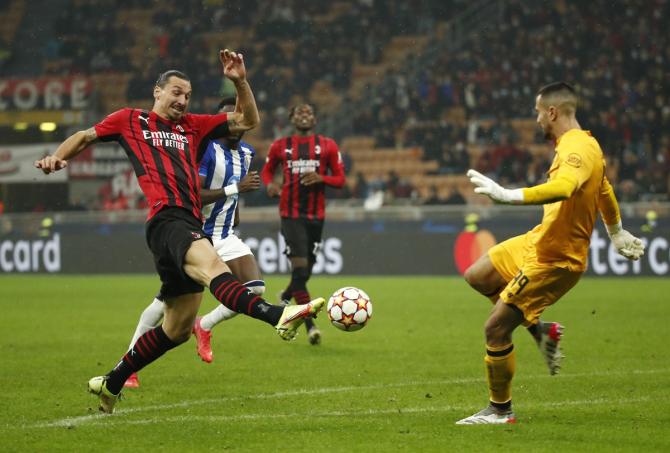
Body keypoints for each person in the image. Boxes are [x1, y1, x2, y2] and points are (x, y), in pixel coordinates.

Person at [34, 50, 325, 414]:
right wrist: (58, 157)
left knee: (177, 328)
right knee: (214, 268)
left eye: (187, 95)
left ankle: (111, 382)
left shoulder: (194, 126)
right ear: (158, 91)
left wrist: (239, 81)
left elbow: (247, 119)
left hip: (186, 221)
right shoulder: (130, 120)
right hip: (167, 220)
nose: (182, 100)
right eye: (175, 92)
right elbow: (86, 135)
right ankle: (278, 315)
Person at [456, 82, 645, 425]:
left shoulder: (576, 150)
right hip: (538, 241)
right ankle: (541, 331)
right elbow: (603, 189)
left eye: (538, 111)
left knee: (495, 329)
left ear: (553, 112)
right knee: (478, 275)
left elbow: (564, 187)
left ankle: (500, 411)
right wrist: (615, 231)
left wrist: (507, 195)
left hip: (555, 259)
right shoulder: (587, 144)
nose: (537, 118)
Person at [124, 97, 263, 389]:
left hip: (225, 234)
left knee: (255, 289)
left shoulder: (247, 153)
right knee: (165, 303)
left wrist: (235, 207)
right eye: (227, 117)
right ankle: (129, 365)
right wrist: (234, 188)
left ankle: (205, 324)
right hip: (196, 232)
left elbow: (234, 195)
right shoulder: (205, 149)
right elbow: (195, 193)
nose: (233, 123)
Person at [261, 103, 345, 345]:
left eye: (309, 112)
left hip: (316, 216)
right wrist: (270, 184)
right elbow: (267, 172)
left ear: (315, 119)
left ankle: (287, 294)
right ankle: (310, 326)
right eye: (299, 112)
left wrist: (322, 177)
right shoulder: (280, 146)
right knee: (299, 270)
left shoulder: (328, 145)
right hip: (290, 214)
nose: (304, 115)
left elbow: (340, 179)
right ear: (292, 118)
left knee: (305, 272)